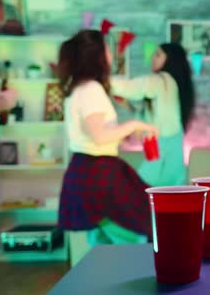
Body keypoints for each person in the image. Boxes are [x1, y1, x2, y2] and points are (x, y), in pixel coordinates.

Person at [57, 30, 159, 245]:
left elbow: (95, 134)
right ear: (97, 56)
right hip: (98, 175)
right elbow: (99, 136)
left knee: (102, 247)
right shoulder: (91, 89)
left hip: (85, 171)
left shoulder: (79, 89)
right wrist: (135, 124)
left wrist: (123, 136)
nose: (111, 56)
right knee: (137, 238)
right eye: (107, 50)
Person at [111, 43, 195, 186]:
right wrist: (129, 108)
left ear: (170, 60)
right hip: (168, 158)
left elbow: (130, 87)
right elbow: (151, 118)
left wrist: (100, 80)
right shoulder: (171, 85)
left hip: (161, 155)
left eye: (158, 55)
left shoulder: (162, 80)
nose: (153, 58)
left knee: (140, 192)